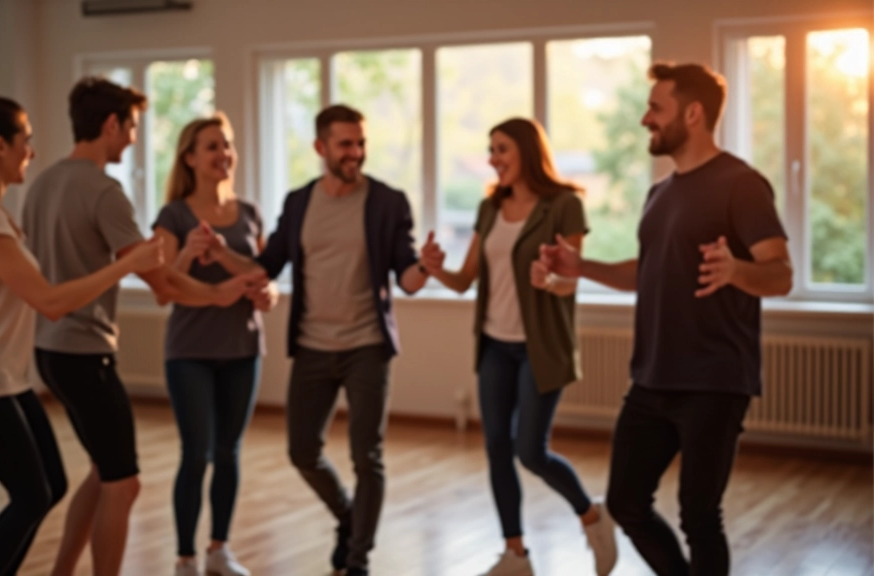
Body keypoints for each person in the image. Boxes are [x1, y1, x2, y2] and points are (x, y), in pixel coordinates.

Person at [536, 62, 792, 576]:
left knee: (700, 515)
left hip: (715, 379)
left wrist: (737, 269)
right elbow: (647, 272)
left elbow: (780, 273)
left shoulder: (741, 184)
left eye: (656, 107)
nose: (644, 119)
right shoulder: (661, 194)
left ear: (693, 114)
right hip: (652, 377)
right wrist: (580, 266)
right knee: (626, 503)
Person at [21, 77, 255, 576]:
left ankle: (61, 571)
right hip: (86, 352)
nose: (132, 138)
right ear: (111, 125)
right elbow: (161, 283)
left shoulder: (42, 183)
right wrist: (215, 293)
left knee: (104, 471)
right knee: (124, 483)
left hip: (48, 349)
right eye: (130, 128)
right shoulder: (105, 191)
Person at [0, 93, 165, 576]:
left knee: (50, 486)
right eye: (26, 140)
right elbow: (51, 302)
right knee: (31, 495)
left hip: (5, 378)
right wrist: (125, 264)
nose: (31, 151)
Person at [201, 104, 430, 576]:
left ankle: (357, 559)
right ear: (321, 147)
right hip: (311, 346)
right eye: (346, 144)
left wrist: (424, 266)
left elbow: (405, 274)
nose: (356, 153)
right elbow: (270, 265)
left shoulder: (387, 202)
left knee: (368, 455)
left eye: (361, 143)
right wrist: (223, 254)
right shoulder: (300, 202)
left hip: (367, 345)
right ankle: (350, 519)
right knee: (301, 450)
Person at [420, 118, 617, 576]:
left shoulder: (564, 205)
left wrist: (550, 280)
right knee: (495, 449)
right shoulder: (490, 208)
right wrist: (434, 269)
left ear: (527, 151)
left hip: (539, 348)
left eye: (501, 148)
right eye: (491, 149)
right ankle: (515, 553)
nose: (492, 159)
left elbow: (570, 281)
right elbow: (466, 279)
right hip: (494, 344)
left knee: (530, 450)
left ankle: (592, 516)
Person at [152, 113, 278, 576]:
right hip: (189, 352)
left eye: (226, 144)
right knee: (196, 453)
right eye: (211, 146)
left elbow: (266, 276)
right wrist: (187, 251)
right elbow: (164, 289)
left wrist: (269, 294)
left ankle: (218, 551)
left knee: (229, 452)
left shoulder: (249, 213)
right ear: (190, 158)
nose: (223, 153)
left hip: (243, 349)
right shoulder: (174, 215)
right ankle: (185, 557)